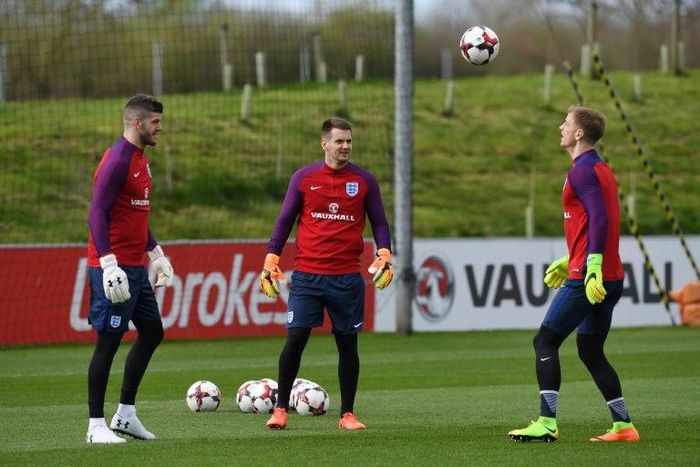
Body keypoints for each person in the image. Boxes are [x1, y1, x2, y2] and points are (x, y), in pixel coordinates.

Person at [508, 105, 639, 443]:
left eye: (565, 124)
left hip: (589, 277)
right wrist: (575, 257)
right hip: (608, 275)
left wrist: (588, 265)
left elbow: (600, 218)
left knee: (545, 340)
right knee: (590, 350)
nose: (560, 128)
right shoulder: (601, 169)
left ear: (579, 134)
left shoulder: (582, 171)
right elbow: (599, 219)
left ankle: (547, 422)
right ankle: (623, 426)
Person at [260, 117, 393, 430]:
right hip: (307, 276)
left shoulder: (364, 181)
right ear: (324, 144)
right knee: (295, 340)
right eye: (339, 141)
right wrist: (271, 259)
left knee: (348, 345)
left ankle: (347, 414)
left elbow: (380, 222)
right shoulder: (304, 178)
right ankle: (280, 409)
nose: (345, 146)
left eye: (348, 141)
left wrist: (384, 251)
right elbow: (284, 221)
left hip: (347, 278)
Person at [85, 94, 174, 444]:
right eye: (155, 122)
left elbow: (136, 212)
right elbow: (96, 212)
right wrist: (108, 263)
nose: (160, 128)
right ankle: (95, 425)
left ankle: (125, 415)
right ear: (137, 122)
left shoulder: (141, 159)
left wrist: (156, 253)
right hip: (113, 268)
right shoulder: (118, 159)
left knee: (153, 332)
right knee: (108, 342)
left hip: (135, 266)